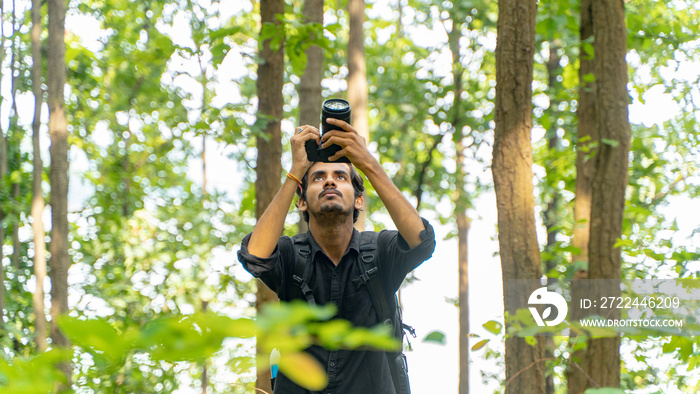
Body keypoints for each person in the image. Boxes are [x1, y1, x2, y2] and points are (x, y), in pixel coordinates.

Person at [237, 118, 436, 393]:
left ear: (358, 200)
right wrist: (296, 170)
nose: (329, 180)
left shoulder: (380, 251)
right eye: (318, 177)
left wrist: (366, 162)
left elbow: (421, 241)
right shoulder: (290, 254)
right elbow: (255, 256)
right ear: (303, 202)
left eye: (340, 177)